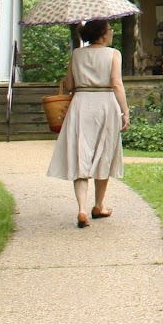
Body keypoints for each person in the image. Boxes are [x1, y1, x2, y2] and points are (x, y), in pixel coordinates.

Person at [46, 19, 129, 228]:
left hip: (81, 103)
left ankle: (82, 209)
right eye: (109, 30)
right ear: (102, 34)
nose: (111, 33)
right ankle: (99, 205)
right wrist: (125, 111)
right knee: (104, 153)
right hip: (105, 103)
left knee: (80, 152)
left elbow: (70, 84)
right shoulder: (113, 54)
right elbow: (117, 83)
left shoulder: (77, 54)